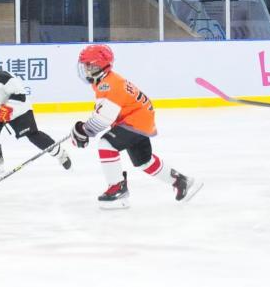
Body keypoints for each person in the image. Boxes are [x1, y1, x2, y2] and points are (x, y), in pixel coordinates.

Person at [71, 44, 202, 209]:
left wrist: (84, 131)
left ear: (99, 66)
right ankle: (181, 181)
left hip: (135, 121)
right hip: (139, 119)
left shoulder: (109, 84)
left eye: (89, 65)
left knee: (106, 144)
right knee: (143, 161)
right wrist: (83, 130)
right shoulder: (106, 80)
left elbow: (104, 118)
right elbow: (104, 113)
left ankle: (117, 188)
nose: (85, 69)